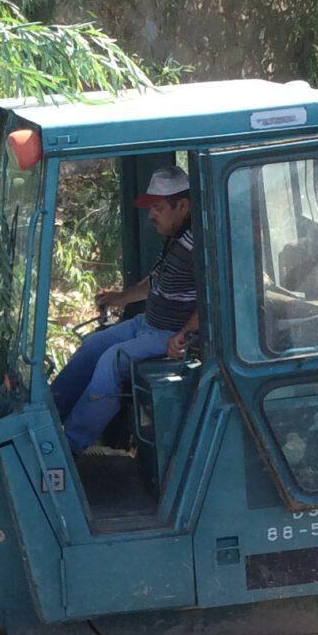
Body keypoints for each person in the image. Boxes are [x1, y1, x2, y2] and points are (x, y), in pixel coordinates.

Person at [50, 167, 200, 452]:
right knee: (92, 345)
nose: (151, 216)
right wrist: (119, 298)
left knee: (110, 361)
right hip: (146, 324)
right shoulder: (176, 238)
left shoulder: (199, 246)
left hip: (167, 334)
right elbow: (156, 283)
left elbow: (212, 299)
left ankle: (69, 446)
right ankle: (47, 418)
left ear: (182, 206)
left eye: (157, 208)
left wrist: (183, 334)